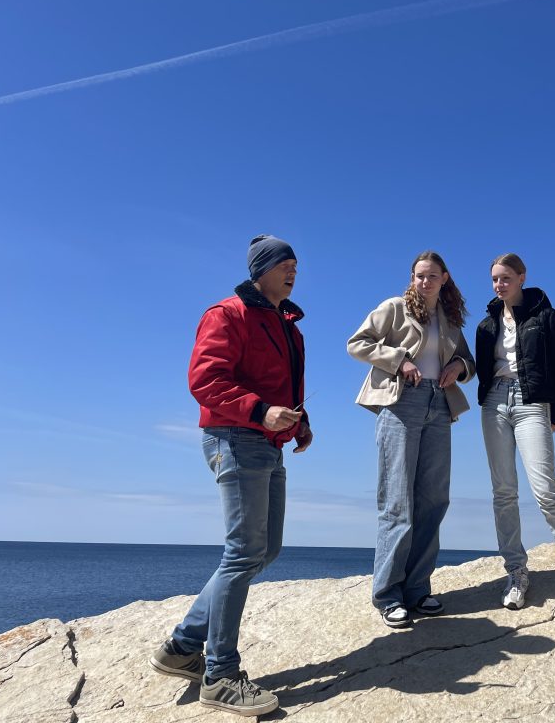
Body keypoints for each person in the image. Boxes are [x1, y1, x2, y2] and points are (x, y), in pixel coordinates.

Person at [149, 234, 313, 717]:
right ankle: (220, 676)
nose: (293, 271)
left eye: (295, 265)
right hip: (235, 438)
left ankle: (182, 647)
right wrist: (261, 411)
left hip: (268, 443)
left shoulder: (288, 325)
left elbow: (281, 386)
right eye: (284, 264)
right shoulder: (227, 314)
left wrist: (299, 421)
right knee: (243, 553)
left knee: (265, 550)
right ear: (260, 270)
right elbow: (205, 380)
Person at [347, 251, 475, 628]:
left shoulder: (450, 318)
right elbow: (357, 343)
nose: (425, 282)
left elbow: (468, 361)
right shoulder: (394, 308)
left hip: (440, 403)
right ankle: (388, 595)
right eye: (419, 275)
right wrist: (399, 360)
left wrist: (459, 366)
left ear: (444, 278)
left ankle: (417, 589)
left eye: (432, 276)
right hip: (402, 401)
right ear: (412, 277)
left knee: (434, 499)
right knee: (397, 500)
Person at [475, 253, 555, 615]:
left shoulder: (549, 318)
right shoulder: (486, 325)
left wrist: (554, 414)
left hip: (533, 402)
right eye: (494, 279)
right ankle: (516, 573)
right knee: (503, 492)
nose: (499, 285)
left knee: (547, 491)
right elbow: (482, 369)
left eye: (505, 278)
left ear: (522, 277)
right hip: (494, 403)